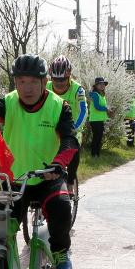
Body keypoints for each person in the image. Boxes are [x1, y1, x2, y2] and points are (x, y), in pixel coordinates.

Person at [0, 55, 78, 269]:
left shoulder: (59, 106)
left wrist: (58, 164)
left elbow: (69, 141)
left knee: (61, 208)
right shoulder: (9, 102)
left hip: (48, 178)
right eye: (21, 82)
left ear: (43, 82)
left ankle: (60, 251)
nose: (27, 88)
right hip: (14, 181)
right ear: (15, 83)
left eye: (32, 82)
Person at [46, 55, 87, 189]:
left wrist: (74, 129)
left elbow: (83, 111)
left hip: (72, 127)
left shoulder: (78, 89)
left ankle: (70, 181)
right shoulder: (45, 87)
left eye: (62, 79)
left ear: (69, 76)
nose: (58, 83)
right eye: (55, 79)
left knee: (73, 151)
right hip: (51, 127)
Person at [87, 76, 109, 156]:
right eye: (100, 84)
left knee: (99, 138)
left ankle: (97, 154)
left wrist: (108, 109)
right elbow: (97, 106)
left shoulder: (102, 95)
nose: (102, 85)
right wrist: (106, 109)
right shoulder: (95, 95)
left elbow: (102, 106)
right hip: (95, 120)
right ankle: (94, 154)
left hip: (100, 119)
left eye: (103, 84)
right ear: (96, 86)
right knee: (96, 138)